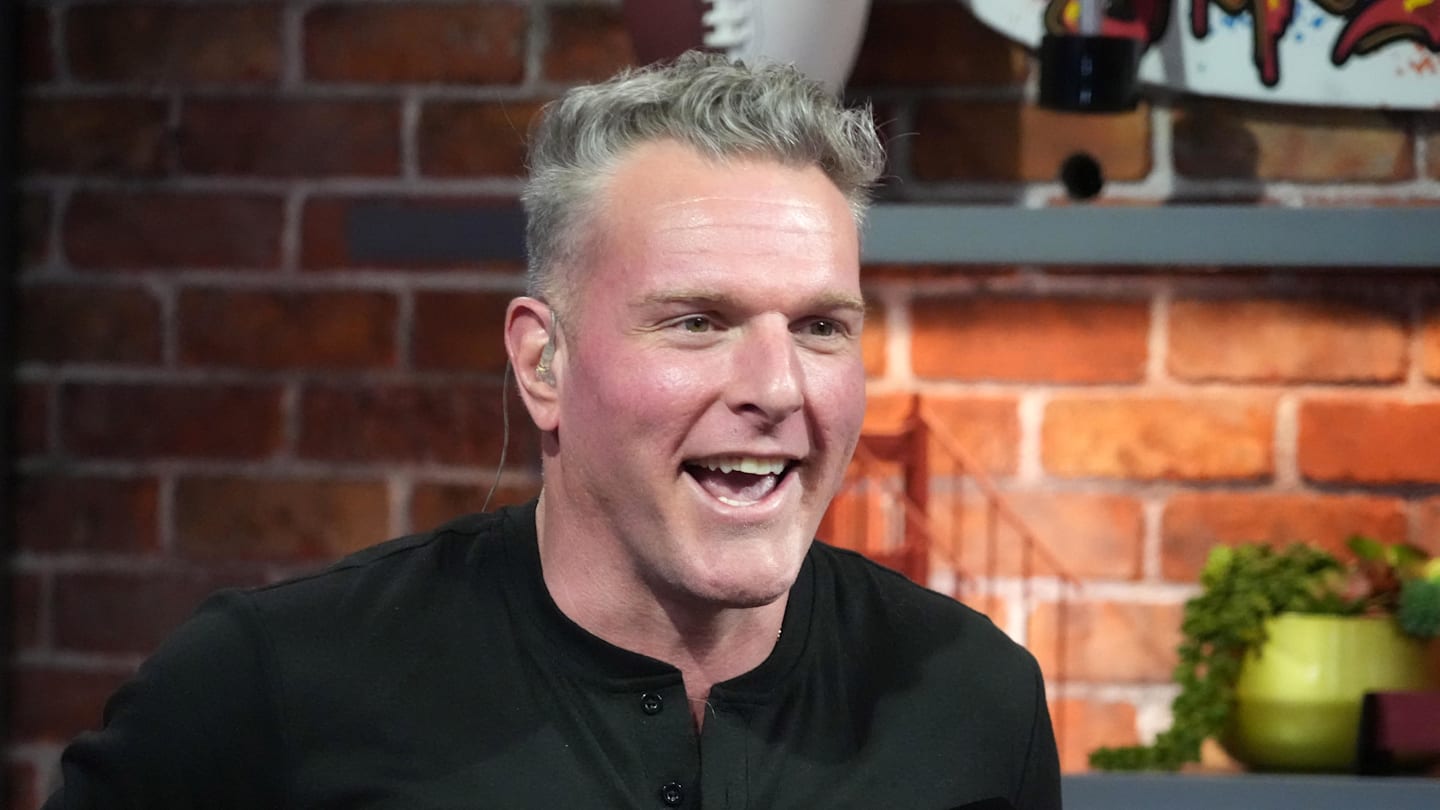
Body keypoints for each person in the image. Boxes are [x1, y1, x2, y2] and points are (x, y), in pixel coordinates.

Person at [43, 53, 1061, 809]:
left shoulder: (974, 699)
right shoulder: (269, 684)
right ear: (544, 363)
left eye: (820, 327)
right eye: (697, 322)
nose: (777, 387)